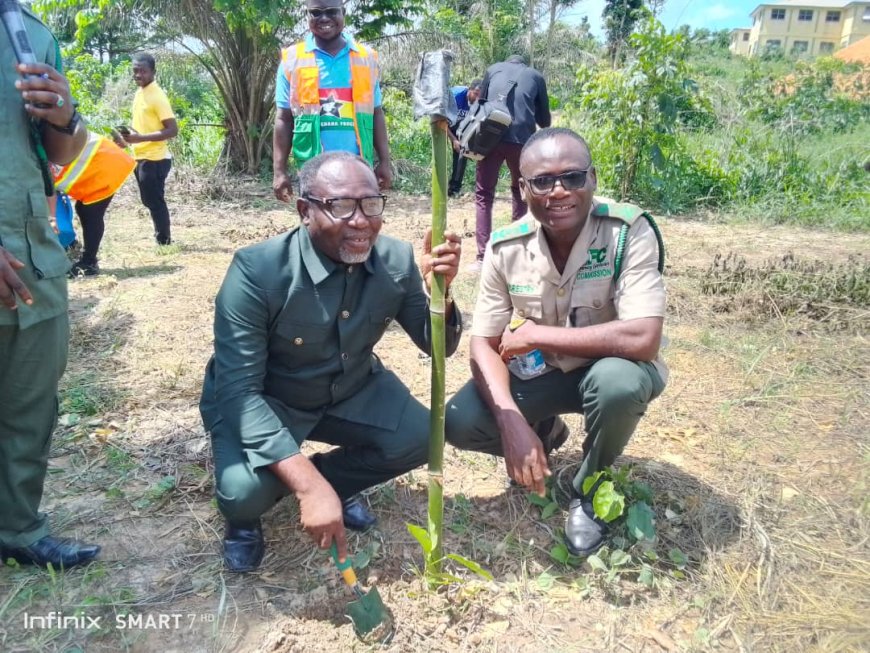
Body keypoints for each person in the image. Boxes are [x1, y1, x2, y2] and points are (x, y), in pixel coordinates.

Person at [200, 151, 463, 572]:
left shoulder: (394, 260)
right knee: (241, 494)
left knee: (420, 437)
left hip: (349, 389)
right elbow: (238, 393)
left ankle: (334, 482)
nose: (361, 221)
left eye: (372, 204)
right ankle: (252, 518)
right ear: (305, 210)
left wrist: (442, 294)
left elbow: (439, 348)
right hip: (270, 401)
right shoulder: (257, 272)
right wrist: (306, 488)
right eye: (341, 206)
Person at [446, 128, 667, 557]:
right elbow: (484, 344)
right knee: (461, 420)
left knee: (618, 385)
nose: (559, 191)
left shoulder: (627, 231)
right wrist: (512, 423)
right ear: (523, 188)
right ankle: (543, 432)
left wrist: (536, 334)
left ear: (593, 179)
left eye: (573, 177)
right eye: (543, 181)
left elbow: (644, 337)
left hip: (612, 368)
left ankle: (590, 486)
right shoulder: (505, 246)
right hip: (545, 374)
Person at [0, 7, 101, 569]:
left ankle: (17, 526)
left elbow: (58, 155)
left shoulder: (32, 33)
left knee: (28, 402)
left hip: (31, 256)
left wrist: (63, 116)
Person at [272, 0, 392, 202]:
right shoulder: (292, 59)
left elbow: (376, 113)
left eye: (331, 12)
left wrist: (385, 161)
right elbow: (283, 118)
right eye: (316, 13)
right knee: (316, 227)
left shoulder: (366, 58)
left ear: (343, 12)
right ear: (307, 15)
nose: (324, 18)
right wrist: (279, 171)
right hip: (312, 170)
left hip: (358, 168)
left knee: (356, 224)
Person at [470, 55, 550, 273]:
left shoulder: (493, 68)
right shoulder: (535, 76)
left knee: (484, 195)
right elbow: (545, 121)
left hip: (491, 139)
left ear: (507, 62)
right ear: (523, 64)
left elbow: (481, 104)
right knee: (520, 191)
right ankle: (518, 250)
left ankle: (482, 258)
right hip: (521, 141)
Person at [114, 53, 177, 245]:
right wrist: (127, 140)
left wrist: (139, 138)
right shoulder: (140, 93)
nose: (138, 75)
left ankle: (164, 241)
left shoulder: (157, 96)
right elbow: (142, 127)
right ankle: (161, 236)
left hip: (155, 158)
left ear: (153, 72)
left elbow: (172, 130)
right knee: (149, 200)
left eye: (143, 71)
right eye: (135, 71)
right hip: (141, 156)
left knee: (154, 200)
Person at [55, 132, 136, 277]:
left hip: (102, 164)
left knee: (91, 213)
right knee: (84, 210)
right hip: (100, 161)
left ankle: (89, 262)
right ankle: (88, 260)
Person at [447, 79, 482, 198]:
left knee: (463, 151)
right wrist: (453, 140)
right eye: (475, 94)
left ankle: (454, 188)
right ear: (469, 90)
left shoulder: (478, 104)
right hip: (443, 123)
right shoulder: (455, 97)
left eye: (480, 96)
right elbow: (441, 122)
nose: (477, 98)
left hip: (460, 126)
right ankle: (439, 186)